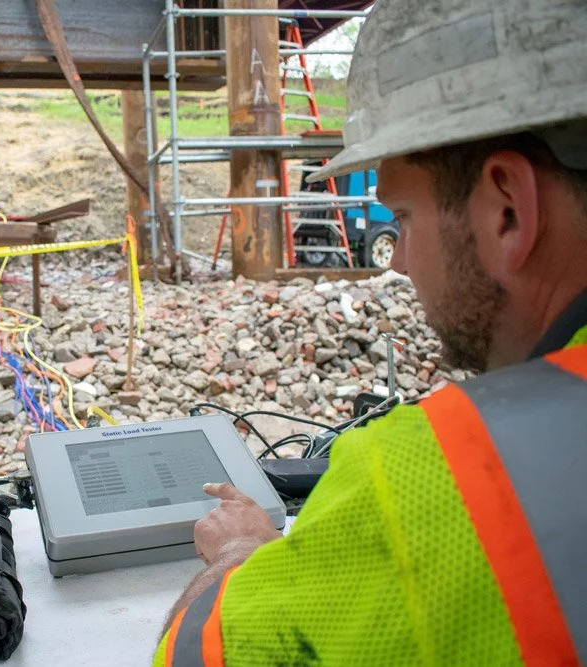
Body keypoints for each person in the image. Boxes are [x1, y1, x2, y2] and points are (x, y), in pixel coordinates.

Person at [154, 0, 587, 664]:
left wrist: (243, 554)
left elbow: (193, 654)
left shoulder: (432, 475)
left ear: (507, 210)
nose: (402, 260)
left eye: (405, 216)